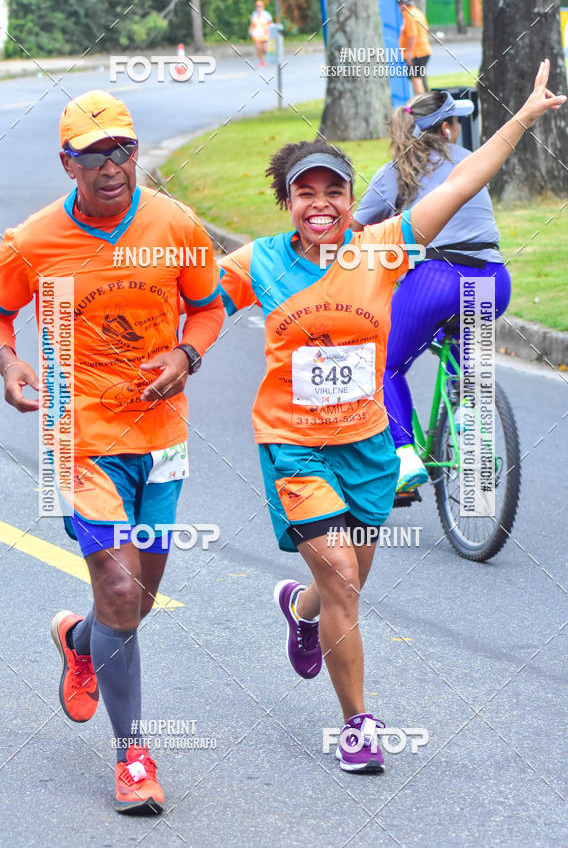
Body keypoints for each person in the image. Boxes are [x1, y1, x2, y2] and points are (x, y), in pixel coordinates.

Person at [218, 62, 564, 773]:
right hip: (295, 447)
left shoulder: (384, 247)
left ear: (351, 199)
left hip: (368, 449)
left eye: (332, 191)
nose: (320, 204)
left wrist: (524, 118)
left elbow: (464, 181)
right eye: (304, 193)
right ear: (286, 201)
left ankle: (302, 610)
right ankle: (358, 723)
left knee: (344, 580)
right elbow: (189, 305)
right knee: (343, 572)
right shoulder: (257, 262)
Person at [0, 90, 224, 813]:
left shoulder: (176, 224)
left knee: (134, 600)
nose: (112, 167)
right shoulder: (34, 239)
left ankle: (79, 638)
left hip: (161, 438)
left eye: (122, 150)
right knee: (118, 588)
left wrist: (187, 352)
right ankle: (133, 757)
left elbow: (208, 305)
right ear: (67, 162)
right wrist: (8, 362)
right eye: (94, 155)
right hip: (80, 434)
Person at [352, 89, 511, 492]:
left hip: (435, 281)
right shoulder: (472, 161)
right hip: (494, 278)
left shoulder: (395, 171)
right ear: (446, 128)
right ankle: (469, 415)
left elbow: (352, 232)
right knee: (464, 331)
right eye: (456, 122)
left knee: (383, 364)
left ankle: (404, 455)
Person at [399, 0, 431, 94]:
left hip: (416, 53)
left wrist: (409, 53)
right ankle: (423, 101)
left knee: (416, 79)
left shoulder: (408, 14)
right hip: (423, 51)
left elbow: (413, 35)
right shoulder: (417, 12)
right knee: (418, 78)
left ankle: (420, 104)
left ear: (403, 5)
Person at [249, 0, 273, 67]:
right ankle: (262, 62)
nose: (258, 8)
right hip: (257, 35)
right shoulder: (254, 14)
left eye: (259, 6)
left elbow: (270, 24)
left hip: (265, 35)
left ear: (262, 7)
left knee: (264, 49)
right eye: (257, 6)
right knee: (258, 49)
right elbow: (252, 24)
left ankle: (269, 57)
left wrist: (267, 30)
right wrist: (251, 31)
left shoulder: (266, 14)